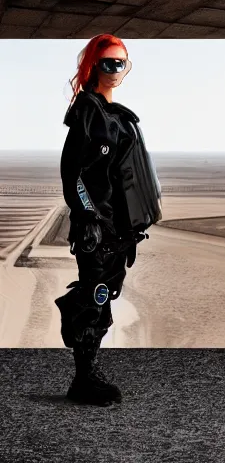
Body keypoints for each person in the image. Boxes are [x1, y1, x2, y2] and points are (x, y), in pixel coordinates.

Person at [54, 34, 162, 406]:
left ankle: (88, 373)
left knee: (106, 296)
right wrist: (87, 216)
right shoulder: (88, 110)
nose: (114, 70)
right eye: (107, 63)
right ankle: (83, 379)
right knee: (94, 297)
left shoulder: (117, 115)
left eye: (121, 63)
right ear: (93, 66)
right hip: (96, 229)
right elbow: (73, 173)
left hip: (119, 229)